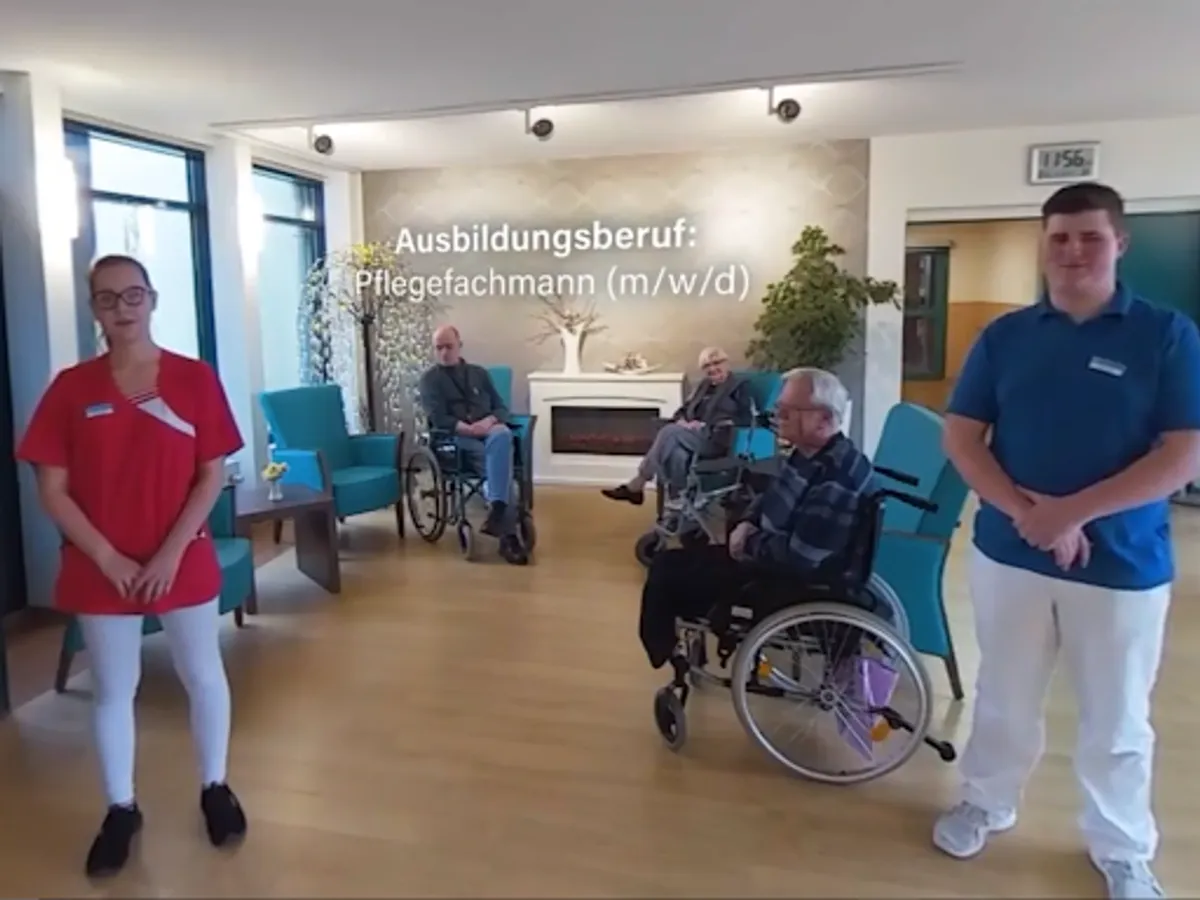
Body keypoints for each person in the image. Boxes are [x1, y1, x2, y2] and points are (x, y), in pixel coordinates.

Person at [935, 182, 1200, 900]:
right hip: (1009, 554)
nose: (1073, 251)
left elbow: (1183, 455)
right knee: (1004, 693)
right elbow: (962, 439)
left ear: (1120, 243)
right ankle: (986, 801)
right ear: (1043, 245)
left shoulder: (1165, 334)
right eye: (1059, 237)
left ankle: (1123, 848)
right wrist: (1029, 514)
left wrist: (1072, 515)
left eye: (1090, 236)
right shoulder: (1006, 337)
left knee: (1117, 715)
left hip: (1123, 564)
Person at [15, 255, 248, 877]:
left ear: (152, 298)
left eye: (133, 295)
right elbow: (52, 488)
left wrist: (170, 552)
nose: (122, 308)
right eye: (108, 297)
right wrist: (107, 556)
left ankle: (215, 787)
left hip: (182, 556)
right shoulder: (71, 388)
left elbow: (211, 474)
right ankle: (121, 808)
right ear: (94, 307)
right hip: (102, 566)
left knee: (203, 674)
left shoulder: (194, 379)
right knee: (115, 689)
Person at [637, 368, 879, 668]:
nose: (778, 416)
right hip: (768, 557)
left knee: (667, 572)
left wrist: (748, 543)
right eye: (779, 408)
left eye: (788, 411)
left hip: (784, 580)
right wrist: (748, 522)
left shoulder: (837, 477)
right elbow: (770, 496)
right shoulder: (811, 454)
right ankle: (667, 648)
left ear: (825, 418)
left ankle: (666, 653)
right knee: (671, 563)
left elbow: (802, 557)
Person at [418, 324, 527, 565]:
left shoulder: (479, 374)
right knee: (502, 468)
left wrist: (488, 422)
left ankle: (497, 508)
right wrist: (467, 428)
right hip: (457, 439)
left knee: (502, 434)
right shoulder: (430, 380)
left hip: (488, 432)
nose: (444, 352)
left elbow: (500, 408)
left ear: (460, 346)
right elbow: (438, 417)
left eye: (449, 346)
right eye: (438, 348)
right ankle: (508, 536)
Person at [603, 346, 754, 506]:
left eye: (717, 363)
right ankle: (678, 504)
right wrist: (682, 420)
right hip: (693, 436)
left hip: (716, 438)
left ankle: (638, 483)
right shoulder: (704, 386)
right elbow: (684, 409)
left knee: (669, 432)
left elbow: (745, 419)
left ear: (726, 363)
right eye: (707, 366)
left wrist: (705, 424)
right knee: (677, 453)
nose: (712, 368)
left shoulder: (739, 386)